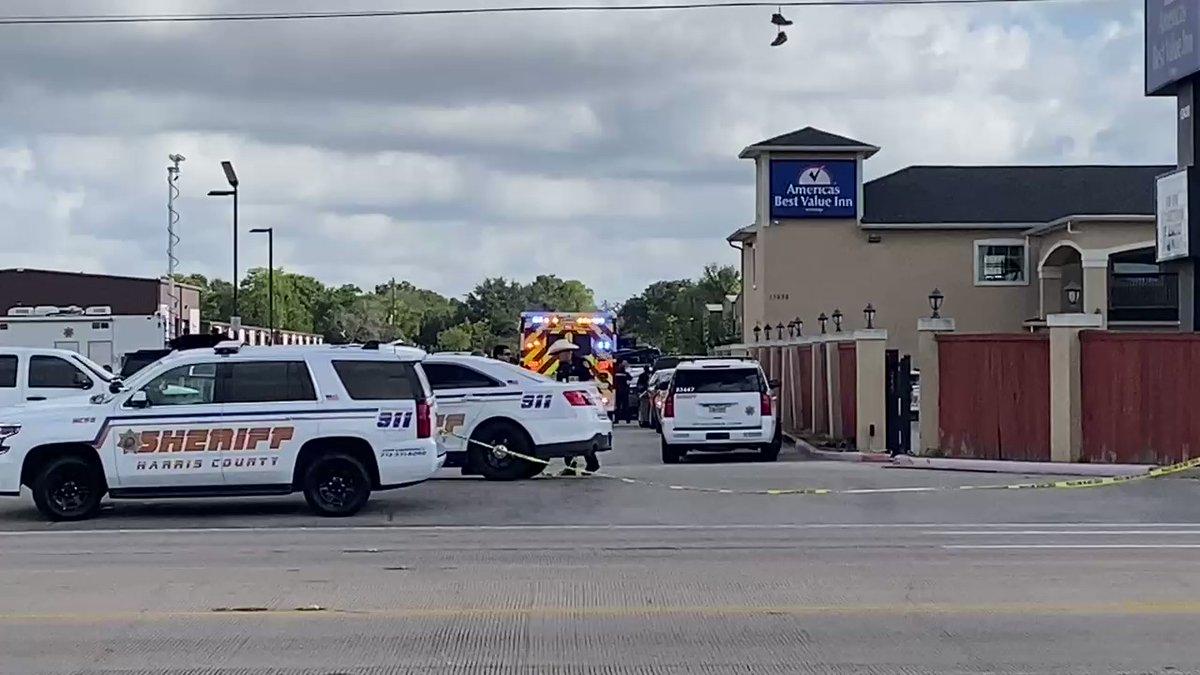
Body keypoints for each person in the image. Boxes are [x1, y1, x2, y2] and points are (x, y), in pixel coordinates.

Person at [546, 338, 600, 475]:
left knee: (582, 433)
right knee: (568, 434)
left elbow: (589, 382)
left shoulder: (582, 364)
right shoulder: (561, 367)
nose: (559, 358)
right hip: (567, 404)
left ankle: (592, 463)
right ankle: (571, 466)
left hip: (582, 404)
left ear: (568, 352)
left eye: (560, 354)